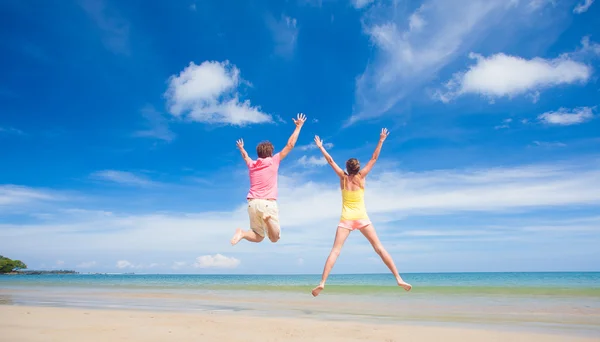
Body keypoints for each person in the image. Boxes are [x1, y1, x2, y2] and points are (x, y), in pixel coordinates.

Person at [311, 128, 412, 297]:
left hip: (346, 220)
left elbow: (330, 161)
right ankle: (398, 278)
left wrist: (321, 147)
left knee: (335, 251)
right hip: (362, 218)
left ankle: (322, 282)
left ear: (347, 168)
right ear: (357, 168)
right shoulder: (361, 177)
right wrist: (381, 140)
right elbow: (374, 158)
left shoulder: (343, 179)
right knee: (379, 248)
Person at [230, 113, 307, 246]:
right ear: (270, 153)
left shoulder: (252, 165)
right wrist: (298, 127)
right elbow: (290, 145)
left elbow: (246, 157)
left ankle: (242, 233)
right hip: (267, 203)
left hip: (252, 204)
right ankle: (267, 220)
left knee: (258, 236)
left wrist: (242, 148)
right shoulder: (273, 161)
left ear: (258, 153)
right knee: (274, 238)